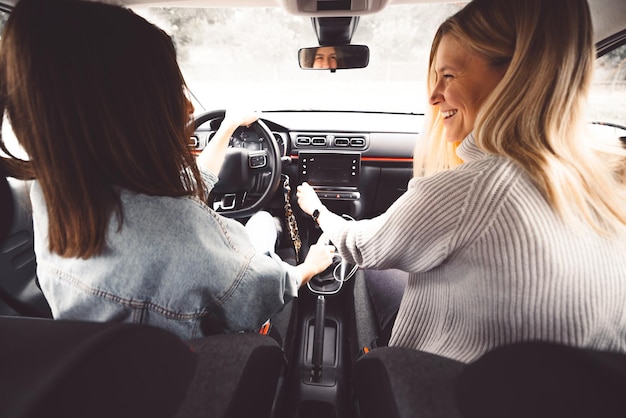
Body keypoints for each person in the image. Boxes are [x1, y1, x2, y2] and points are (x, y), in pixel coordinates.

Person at [297, 0, 626, 363]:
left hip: (452, 386)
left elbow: (363, 247)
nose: (434, 96)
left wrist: (316, 210)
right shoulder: (606, 173)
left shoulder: (473, 190)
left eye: (449, 76)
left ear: (515, 74)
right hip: (570, 390)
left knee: (371, 273)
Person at [0, 0, 335, 340]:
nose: (189, 107)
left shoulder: (54, 190)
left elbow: (179, 193)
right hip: (190, 365)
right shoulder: (183, 233)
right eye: (169, 90)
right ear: (128, 111)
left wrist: (227, 128)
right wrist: (309, 266)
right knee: (263, 223)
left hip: (105, 362)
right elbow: (256, 290)